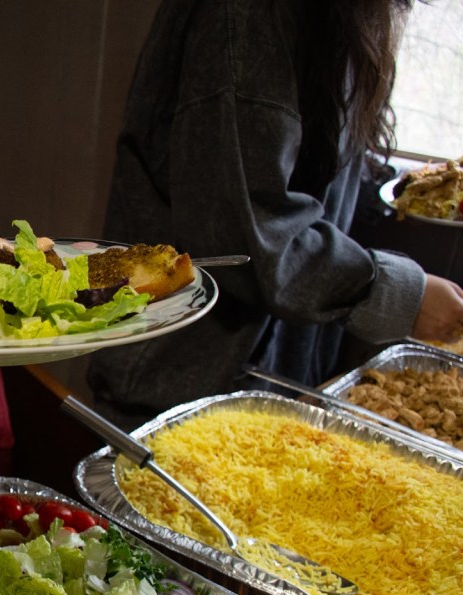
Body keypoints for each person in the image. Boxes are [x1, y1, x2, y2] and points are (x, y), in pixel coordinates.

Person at [87, 0, 463, 430]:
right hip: (180, 391)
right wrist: (395, 293)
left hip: (267, 379)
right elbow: (247, 235)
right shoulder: (246, 15)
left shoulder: (343, 16)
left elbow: (320, 177)